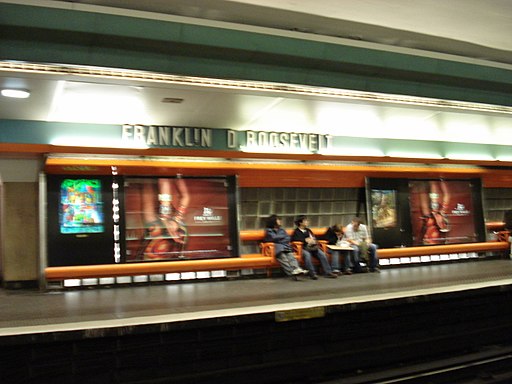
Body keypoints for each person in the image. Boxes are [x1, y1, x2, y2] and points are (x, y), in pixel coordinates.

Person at [139, 176, 190, 260]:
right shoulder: (176, 227)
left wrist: (167, 218)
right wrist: (174, 219)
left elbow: (164, 181)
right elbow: (185, 197)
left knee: (147, 186)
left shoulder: (154, 224)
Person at [291, 215, 338, 279]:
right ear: (300, 223)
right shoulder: (296, 232)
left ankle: (328, 272)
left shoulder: (308, 230)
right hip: (303, 248)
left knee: (322, 254)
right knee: (307, 255)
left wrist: (313, 241)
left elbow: (314, 238)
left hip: (312, 247)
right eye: (305, 221)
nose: (307, 222)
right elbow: (295, 240)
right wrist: (305, 240)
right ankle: (312, 273)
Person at [264, 215, 308, 280]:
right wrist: (282, 237)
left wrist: (279, 238)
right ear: (273, 221)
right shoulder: (268, 230)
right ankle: (292, 272)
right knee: (283, 258)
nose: (280, 221)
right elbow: (273, 238)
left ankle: (297, 269)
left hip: (285, 247)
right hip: (275, 248)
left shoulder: (281, 230)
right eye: (278, 220)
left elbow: (288, 238)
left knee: (291, 256)